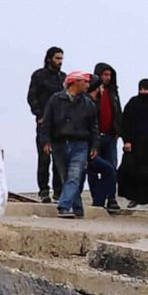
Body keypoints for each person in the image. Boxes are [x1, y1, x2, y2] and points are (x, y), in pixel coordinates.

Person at [39, 71, 98, 219]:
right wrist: (46, 141)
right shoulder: (55, 100)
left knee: (74, 176)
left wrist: (94, 146)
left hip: (80, 144)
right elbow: (47, 123)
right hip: (59, 144)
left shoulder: (88, 103)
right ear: (76, 82)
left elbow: (94, 127)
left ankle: (64, 206)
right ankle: (78, 208)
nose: (88, 85)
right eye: (85, 81)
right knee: (67, 178)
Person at [118, 79, 148, 209]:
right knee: (133, 173)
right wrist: (126, 140)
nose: (143, 92)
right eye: (141, 89)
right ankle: (134, 198)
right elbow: (125, 123)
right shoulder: (133, 102)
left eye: (146, 89)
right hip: (136, 146)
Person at [27, 46, 66, 203]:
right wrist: (39, 114)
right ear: (49, 58)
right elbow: (32, 96)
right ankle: (43, 190)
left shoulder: (63, 78)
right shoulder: (39, 76)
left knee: (59, 159)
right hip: (44, 122)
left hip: (61, 124)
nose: (60, 62)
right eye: (57, 58)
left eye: (61, 58)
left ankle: (58, 191)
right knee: (44, 157)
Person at [84, 78, 120, 214]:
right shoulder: (87, 104)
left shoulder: (96, 101)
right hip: (85, 147)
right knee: (95, 172)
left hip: (98, 141)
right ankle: (97, 203)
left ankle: (100, 202)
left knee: (108, 169)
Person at [91, 63, 122, 213]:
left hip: (110, 136)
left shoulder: (113, 92)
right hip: (94, 137)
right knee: (93, 169)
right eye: (105, 75)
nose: (107, 78)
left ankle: (111, 198)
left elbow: (118, 112)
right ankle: (97, 199)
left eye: (109, 75)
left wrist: (118, 131)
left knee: (111, 168)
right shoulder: (91, 92)